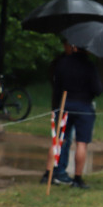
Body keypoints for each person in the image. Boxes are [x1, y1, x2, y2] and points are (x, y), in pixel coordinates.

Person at [50, 42, 103, 189]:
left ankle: (57, 172)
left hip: (65, 104)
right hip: (84, 106)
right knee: (81, 143)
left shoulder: (63, 63)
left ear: (75, 47)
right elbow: (98, 89)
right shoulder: (89, 66)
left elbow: (57, 85)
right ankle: (77, 178)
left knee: (61, 140)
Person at [40, 40, 75, 185]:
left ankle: (58, 170)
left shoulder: (68, 62)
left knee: (64, 139)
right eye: (69, 45)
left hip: (65, 103)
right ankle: (52, 172)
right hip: (61, 104)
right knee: (60, 139)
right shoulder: (61, 63)